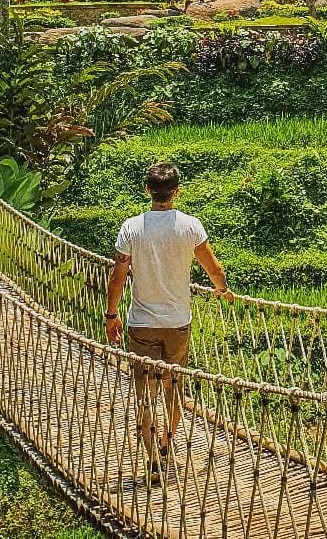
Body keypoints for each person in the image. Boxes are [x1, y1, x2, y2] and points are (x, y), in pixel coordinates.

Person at [105, 162, 233, 482]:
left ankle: (151, 460)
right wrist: (223, 291)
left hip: (141, 325)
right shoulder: (190, 227)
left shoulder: (131, 228)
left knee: (145, 395)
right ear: (176, 192)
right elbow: (214, 270)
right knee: (173, 389)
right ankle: (166, 444)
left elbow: (118, 276)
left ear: (147, 190)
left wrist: (111, 314)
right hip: (178, 324)